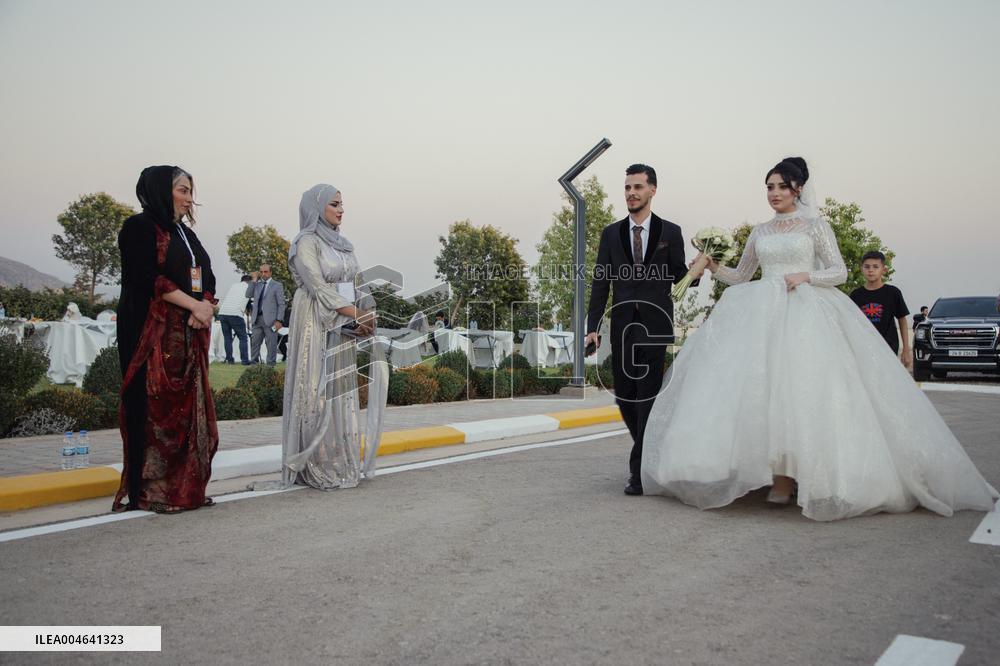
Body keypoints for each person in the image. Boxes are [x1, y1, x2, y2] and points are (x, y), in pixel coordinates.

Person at [640, 157, 998, 521]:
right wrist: (713, 265)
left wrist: (807, 277)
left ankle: (807, 474)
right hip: (763, 312)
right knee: (762, 393)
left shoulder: (815, 226)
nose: (774, 193)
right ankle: (776, 475)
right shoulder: (760, 231)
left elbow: (839, 271)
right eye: (769, 187)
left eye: (781, 186)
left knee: (806, 392)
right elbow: (741, 276)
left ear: (797, 189)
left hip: (807, 310)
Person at [113, 165, 219, 514]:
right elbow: (146, 277)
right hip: (153, 333)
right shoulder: (139, 228)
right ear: (161, 191)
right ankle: (152, 491)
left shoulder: (185, 234)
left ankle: (183, 489)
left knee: (188, 410)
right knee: (156, 407)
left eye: (190, 191)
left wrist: (205, 305)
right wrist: (193, 304)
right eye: (182, 190)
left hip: (189, 332)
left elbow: (207, 274)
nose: (190, 198)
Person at [585, 163, 692, 496]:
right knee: (624, 397)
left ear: (652, 191)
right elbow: (601, 282)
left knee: (646, 396)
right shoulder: (611, 233)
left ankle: (638, 471)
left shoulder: (670, 232)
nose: (631, 193)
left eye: (638, 187)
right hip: (622, 326)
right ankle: (651, 451)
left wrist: (699, 269)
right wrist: (593, 326)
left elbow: (679, 275)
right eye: (628, 187)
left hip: (655, 324)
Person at [280, 184, 388, 489]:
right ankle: (310, 461)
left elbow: (358, 282)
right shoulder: (306, 243)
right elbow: (316, 285)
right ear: (316, 208)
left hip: (343, 321)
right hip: (314, 319)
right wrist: (355, 312)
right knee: (314, 385)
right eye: (334, 204)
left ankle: (336, 456)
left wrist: (368, 313)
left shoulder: (344, 246)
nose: (341, 209)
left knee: (338, 389)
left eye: (342, 204)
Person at [849, 251, 911, 368]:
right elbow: (851, 323)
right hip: (864, 348)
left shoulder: (893, 293)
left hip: (888, 347)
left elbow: (902, 320)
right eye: (867, 267)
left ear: (883, 270)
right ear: (861, 269)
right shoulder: (855, 295)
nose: (871, 270)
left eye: (875, 267)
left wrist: (906, 350)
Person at [245, 263, 285, 365]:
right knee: (254, 344)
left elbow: (281, 304)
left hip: (271, 321)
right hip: (257, 319)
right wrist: (253, 281)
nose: (263, 274)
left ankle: (270, 367)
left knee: (271, 345)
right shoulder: (257, 285)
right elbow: (248, 295)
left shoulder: (277, 285)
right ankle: (254, 367)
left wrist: (279, 320)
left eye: (266, 272)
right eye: (261, 272)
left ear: (270, 272)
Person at [217, 275, 251, 364]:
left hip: (223, 312)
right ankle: (245, 360)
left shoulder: (234, 285)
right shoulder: (249, 287)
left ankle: (230, 360)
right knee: (243, 337)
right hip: (235, 313)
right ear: (249, 281)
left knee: (227, 338)